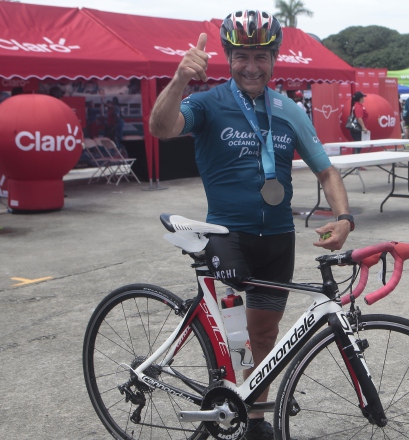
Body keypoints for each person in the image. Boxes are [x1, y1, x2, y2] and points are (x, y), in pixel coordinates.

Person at [148, 10, 352, 440]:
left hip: (277, 239)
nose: (252, 66)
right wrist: (180, 78)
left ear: (274, 58)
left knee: (265, 334)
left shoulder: (289, 109)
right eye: (242, 56)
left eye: (261, 56)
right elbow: (161, 127)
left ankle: (254, 419)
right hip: (229, 237)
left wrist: (344, 217)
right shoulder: (207, 103)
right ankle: (226, 397)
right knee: (234, 338)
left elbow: (327, 172)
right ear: (228, 57)